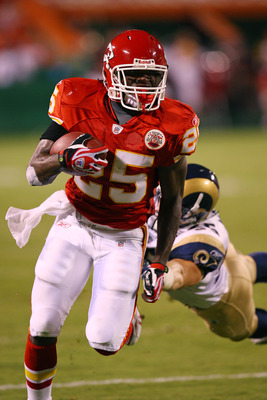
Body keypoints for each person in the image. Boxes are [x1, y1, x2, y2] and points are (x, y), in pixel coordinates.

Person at [5, 29, 199, 400]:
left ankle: (127, 315)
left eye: (151, 77)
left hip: (125, 236)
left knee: (104, 342)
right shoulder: (77, 99)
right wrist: (65, 159)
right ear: (110, 73)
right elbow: (33, 173)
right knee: (43, 322)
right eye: (135, 76)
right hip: (73, 223)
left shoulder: (175, 124)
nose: (144, 85)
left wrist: (159, 262)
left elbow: (173, 199)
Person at [142, 163, 267, 344]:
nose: (161, 203)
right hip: (230, 262)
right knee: (248, 266)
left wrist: (163, 276)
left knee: (243, 328)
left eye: (171, 200)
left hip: (227, 298)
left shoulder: (201, 240)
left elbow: (185, 271)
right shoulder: (195, 216)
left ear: (190, 212)